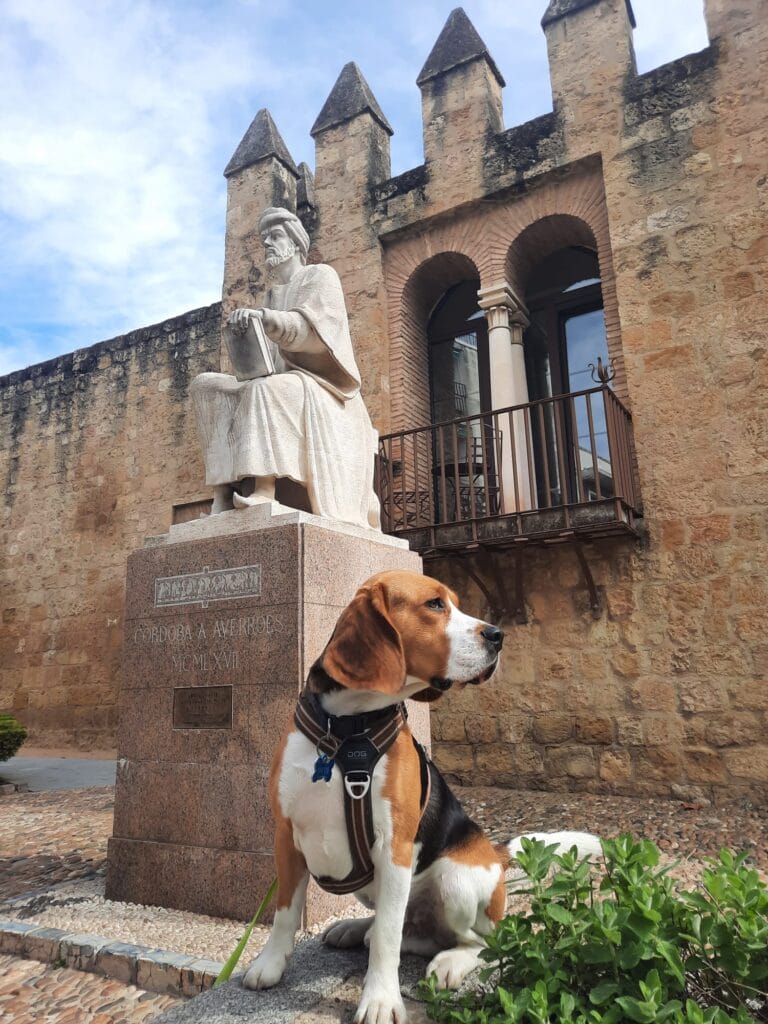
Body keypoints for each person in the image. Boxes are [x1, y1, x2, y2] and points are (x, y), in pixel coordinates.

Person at [191, 207, 380, 529]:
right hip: (285, 383)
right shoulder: (272, 294)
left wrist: (265, 318)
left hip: (326, 389)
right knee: (206, 385)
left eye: (276, 236)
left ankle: (265, 490)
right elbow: (270, 358)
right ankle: (222, 494)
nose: (267, 243)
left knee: (265, 388)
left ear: (295, 243)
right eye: (264, 238)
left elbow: (312, 331)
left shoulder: (320, 276)